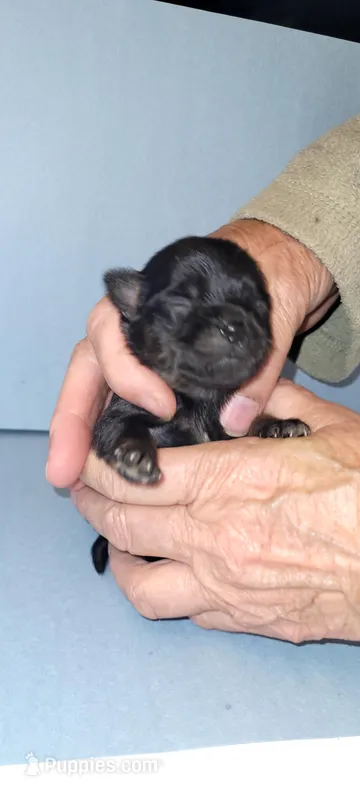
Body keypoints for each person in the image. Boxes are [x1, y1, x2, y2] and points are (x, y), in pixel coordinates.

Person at [46, 114, 360, 644]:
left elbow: (241, 443)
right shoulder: (143, 384)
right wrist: (301, 238)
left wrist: (267, 429)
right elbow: (115, 429)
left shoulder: (235, 384)